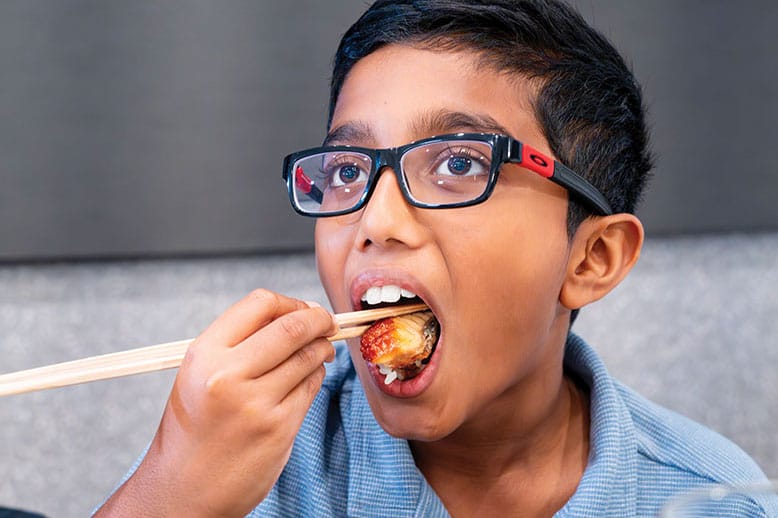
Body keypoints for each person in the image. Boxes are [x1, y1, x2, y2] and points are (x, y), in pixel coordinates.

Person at [95, 1, 774, 516]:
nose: (374, 220)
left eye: (456, 163)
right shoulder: (249, 464)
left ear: (592, 258)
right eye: (347, 170)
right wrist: (172, 489)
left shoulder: (711, 497)